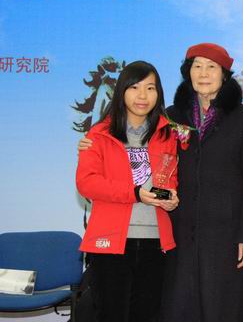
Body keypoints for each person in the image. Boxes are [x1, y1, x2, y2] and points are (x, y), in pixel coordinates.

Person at [159, 43, 243, 321]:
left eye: (211, 67)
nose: (203, 73)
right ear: (188, 73)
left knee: (223, 308)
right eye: (197, 66)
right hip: (180, 230)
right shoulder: (171, 116)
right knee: (180, 306)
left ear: (224, 75)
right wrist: (94, 141)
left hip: (226, 234)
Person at [76, 61, 179, 322]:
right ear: (122, 91)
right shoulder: (99, 134)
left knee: (148, 315)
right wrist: (133, 193)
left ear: (159, 94)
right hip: (111, 241)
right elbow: (87, 183)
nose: (142, 95)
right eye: (135, 87)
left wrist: (170, 197)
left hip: (156, 241)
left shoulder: (168, 135)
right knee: (111, 314)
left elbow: (170, 180)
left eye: (150, 88)